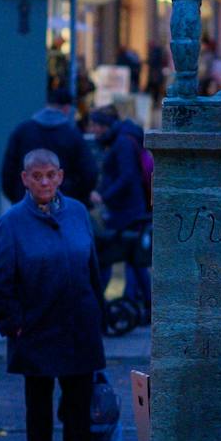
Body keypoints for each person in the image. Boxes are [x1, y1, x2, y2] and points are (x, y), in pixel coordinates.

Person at [0, 149, 107, 441]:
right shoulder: (12, 222)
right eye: (37, 176)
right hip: (36, 327)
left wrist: (97, 314)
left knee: (79, 412)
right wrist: (14, 324)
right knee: (38, 414)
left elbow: (92, 268)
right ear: (25, 179)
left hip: (78, 327)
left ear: (61, 177)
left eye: (51, 175)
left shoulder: (77, 213)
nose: (44, 183)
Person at [88, 107, 151, 306]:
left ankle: (129, 301)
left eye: (95, 125)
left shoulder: (122, 142)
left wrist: (104, 196)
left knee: (120, 256)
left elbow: (127, 176)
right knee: (133, 258)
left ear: (104, 125)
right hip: (130, 207)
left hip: (126, 210)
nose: (93, 129)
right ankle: (140, 302)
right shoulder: (123, 138)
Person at [0, 85, 99, 207]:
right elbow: (89, 173)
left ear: (47, 104)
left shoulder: (22, 131)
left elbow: (8, 171)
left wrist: (17, 197)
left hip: (25, 202)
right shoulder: (73, 135)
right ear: (67, 109)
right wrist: (75, 196)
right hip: (63, 204)